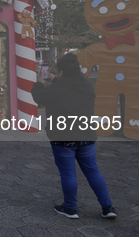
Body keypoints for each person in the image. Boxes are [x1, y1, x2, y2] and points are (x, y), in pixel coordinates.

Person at [31, 53, 116, 219]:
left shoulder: (56, 89)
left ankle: (70, 208)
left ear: (61, 72)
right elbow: (70, 90)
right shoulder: (86, 85)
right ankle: (108, 207)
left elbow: (39, 97)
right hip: (86, 136)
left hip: (63, 139)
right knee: (93, 171)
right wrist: (55, 81)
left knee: (68, 174)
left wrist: (39, 83)